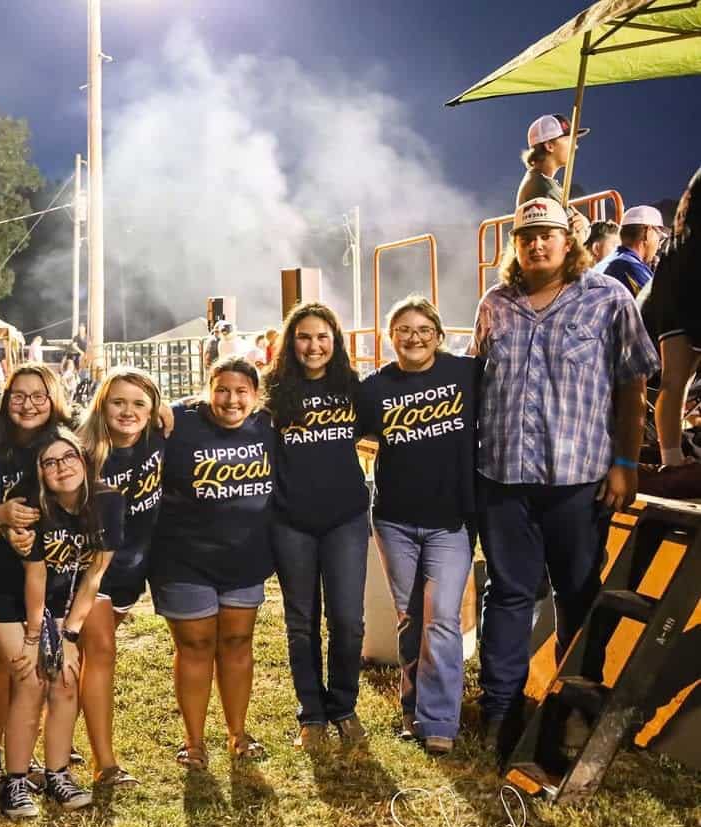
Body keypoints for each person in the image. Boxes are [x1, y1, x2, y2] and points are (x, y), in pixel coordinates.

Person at [472, 197, 658, 754]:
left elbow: (633, 386)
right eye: (526, 237)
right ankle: (500, 710)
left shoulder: (608, 299)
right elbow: (474, 381)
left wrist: (625, 464)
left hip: (577, 481)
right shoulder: (495, 304)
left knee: (578, 595)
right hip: (503, 477)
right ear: (515, 246)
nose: (537, 244)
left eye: (547, 234)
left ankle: (572, 709)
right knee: (507, 593)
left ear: (567, 240)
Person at [356, 297, 478, 756]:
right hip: (395, 521)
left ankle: (440, 718)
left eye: (424, 329)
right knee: (410, 618)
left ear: (439, 335)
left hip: (450, 522)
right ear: (391, 337)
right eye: (404, 330)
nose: (414, 337)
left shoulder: (466, 374)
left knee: (442, 616)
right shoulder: (375, 388)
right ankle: (413, 710)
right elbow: (333, 428)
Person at [150, 356, 275, 769]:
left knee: (238, 642)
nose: (231, 400)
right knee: (195, 646)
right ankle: (194, 742)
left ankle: (238, 733)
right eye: (222, 389)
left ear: (256, 396)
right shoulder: (179, 423)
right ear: (208, 389)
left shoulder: (267, 426)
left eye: (241, 392)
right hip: (183, 558)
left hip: (245, 556)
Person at [0, 427, 122, 818]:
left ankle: (57, 775)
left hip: (62, 599)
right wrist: (35, 639)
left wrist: (68, 635)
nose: (62, 467)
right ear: (40, 473)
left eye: (69, 457)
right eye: (50, 463)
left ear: (83, 460)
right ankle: (14, 782)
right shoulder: (32, 505)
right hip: (7, 597)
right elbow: (35, 575)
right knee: (31, 679)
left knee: (65, 679)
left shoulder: (108, 500)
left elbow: (94, 575)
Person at [264, 303, 370, 750]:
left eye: (322, 337)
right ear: (291, 342)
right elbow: (221, 405)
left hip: (345, 519)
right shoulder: (272, 392)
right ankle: (311, 713)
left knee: (347, 621)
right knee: (301, 622)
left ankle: (343, 706)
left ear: (335, 341)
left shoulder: (352, 387)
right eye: (304, 337)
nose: (313, 346)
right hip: (291, 522)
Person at [0, 364, 73, 788]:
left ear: (53, 400)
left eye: (39, 396)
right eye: (19, 395)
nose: (28, 405)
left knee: (40, 669)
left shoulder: (65, 443)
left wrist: (170, 412)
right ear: (6, 398)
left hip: (48, 576)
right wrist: (2, 517)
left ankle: (24, 758)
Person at [75, 367, 165, 786]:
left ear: (153, 410)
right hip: (89, 572)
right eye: (118, 402)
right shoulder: (83, 451)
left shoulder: (158, 439)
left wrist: (171, 411)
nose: (128, 411)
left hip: (133, 571)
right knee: (102, 653)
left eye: (138, 403)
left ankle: (56, 737)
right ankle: (105, 764)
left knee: (80, 661)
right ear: (102, 405)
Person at [642, 167, 701, 466]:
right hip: (686, 280)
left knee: (676, 380)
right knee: (677, 380)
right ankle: (674, 460)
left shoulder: (674, 242)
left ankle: (672, 460)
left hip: (674, 282)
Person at [516, 113, 591, 242]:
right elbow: (574, 236)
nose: (575, 146)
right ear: (549, 146)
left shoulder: (537, 179)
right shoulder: (545, 188)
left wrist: (584, 224)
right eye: (568, 140)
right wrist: (585, 226)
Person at [595, 205, 668, 297]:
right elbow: (659, 302)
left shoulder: (604, 263)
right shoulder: (631, 267)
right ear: (647, 232)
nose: (659, 246)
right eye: (660, 237)